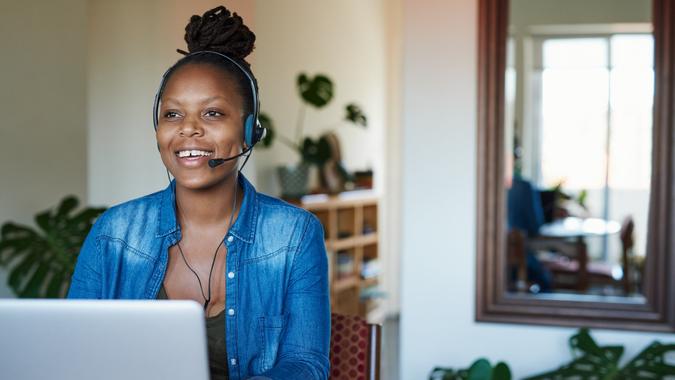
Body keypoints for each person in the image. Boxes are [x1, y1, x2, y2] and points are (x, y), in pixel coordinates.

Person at [68, 6, 330, 380]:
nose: (188, 130)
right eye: (172, 115)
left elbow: (306, 364)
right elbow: (74, 353)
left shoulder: (294, 235)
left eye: (212, 114)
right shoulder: (114, 233)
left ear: (250, 130)